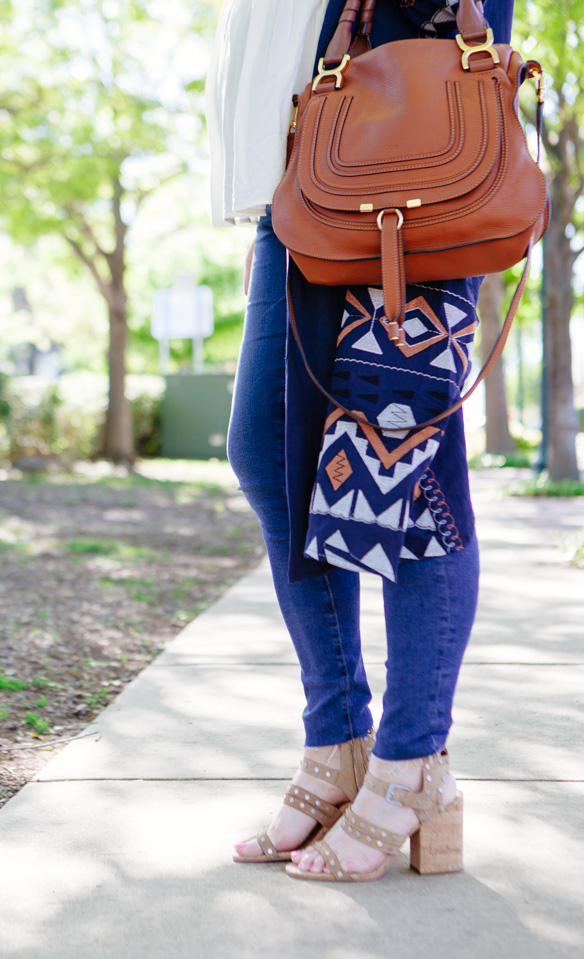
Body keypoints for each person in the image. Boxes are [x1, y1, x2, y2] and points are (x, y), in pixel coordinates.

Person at [206, 0, 515, 883]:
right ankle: (337, 742)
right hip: (305, 167)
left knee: (406, 473)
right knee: (269, 454)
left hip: (401, 152)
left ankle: (413, 764)